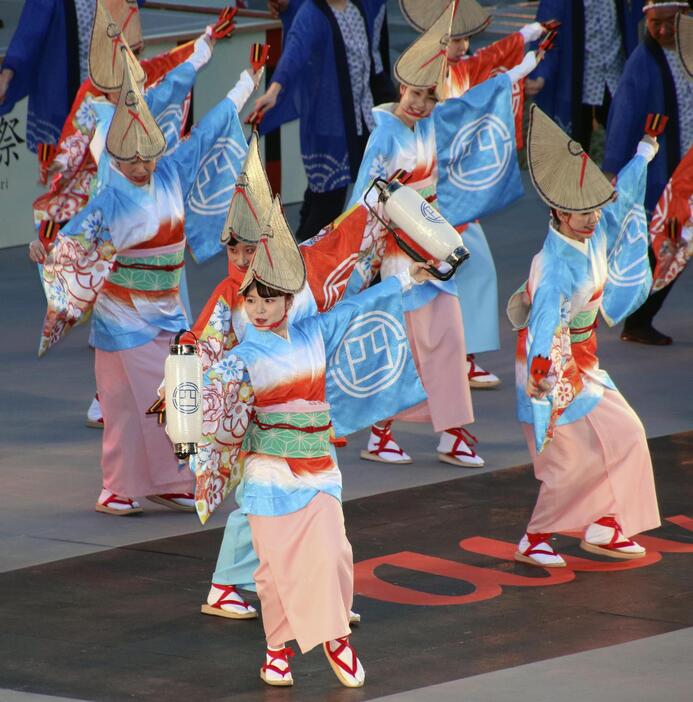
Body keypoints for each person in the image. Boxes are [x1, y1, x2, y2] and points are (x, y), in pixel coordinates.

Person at [191, 193, 432, 687]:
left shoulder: (315, 331)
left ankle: (336, 638)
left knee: (334, 551)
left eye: (269, 299)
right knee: (274, 570)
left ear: (289, 298)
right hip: (267, 472)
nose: (258, 309)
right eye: (251, 300)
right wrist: (184, 396)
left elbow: (365, 303)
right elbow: (204, 387)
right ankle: (276, 650)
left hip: (318, 467)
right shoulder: (241, 357)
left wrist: (407, 278)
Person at [29, 54, 261, 516]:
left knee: (174, 395)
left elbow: (213, 127)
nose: (140, 164)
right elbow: (75, 237)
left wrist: (245, 84)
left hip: (168, 308)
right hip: (121, 314)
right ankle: (116, 486)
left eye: (146, 155)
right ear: (116, 154)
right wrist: (48, 249)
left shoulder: (172, 170)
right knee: (123, 406)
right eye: (130, 157)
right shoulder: (112, 196)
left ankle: (169, 480)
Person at [348, 3, 542, 467]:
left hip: (433, 245)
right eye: (414, 93)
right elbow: (365, 197)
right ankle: (384, 431)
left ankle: (448, 431)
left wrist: (516, 70)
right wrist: (365, 258)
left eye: (429, 97)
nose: (420, 104)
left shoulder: (431, 123)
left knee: (445, 337)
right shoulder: (385, 135)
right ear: (401, 87)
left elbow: (470, 104)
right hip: (400, 250)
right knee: (412, 341)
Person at [508, 105, 661, 568]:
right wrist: (542, 374)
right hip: (551, 362)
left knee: (625, 434)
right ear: (558, 210)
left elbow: (622, 199)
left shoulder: (588, 229)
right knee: (571, 459)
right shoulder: (554, 267)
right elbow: (543, 328)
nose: (594, 218)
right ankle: (536, 537)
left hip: (582, 358)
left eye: (594, 209)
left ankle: (604, 523)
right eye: (582, 212)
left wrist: (643, 155)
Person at [399, 0, 547, 389]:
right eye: (456, 39)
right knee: (438, 278)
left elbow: (488, 62)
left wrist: (526, 38)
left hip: (450, 191)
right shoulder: (422, 77)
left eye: (466, 38)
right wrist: (522, 64)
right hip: (425, 192)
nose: (464, 46)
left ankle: (458, 358)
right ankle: (438, 360)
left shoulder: (459, 72)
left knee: (467, 272)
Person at [251, 0, 393, 241]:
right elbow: (294, 51)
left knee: (368, 196)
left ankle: (365, 267)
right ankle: (300, 264)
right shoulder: (311, 13)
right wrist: (274, 90)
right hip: (330, 126)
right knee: (327, 204)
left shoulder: (359, 5)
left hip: (364, 120)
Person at [604, 0, 693, 345]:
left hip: (684, 169)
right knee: (669, 245)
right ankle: (638, 321)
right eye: (655, 23)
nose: (661, 30)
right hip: (663, 174)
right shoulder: (642, 63)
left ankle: (638, 318)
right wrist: (613, 168)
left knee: (675, 244)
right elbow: (624, 118)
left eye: (669, 22)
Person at [0, 0, 144, 154]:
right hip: (63, 98)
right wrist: (7, 75)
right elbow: (28, 35)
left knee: (109, 166)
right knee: (61, 168)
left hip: (110, 100)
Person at [526, 0, 644, 150]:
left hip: (616, 77)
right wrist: (541, 71)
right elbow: (549, 30)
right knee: (573, 149)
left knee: (627, 147)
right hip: (578, 83)